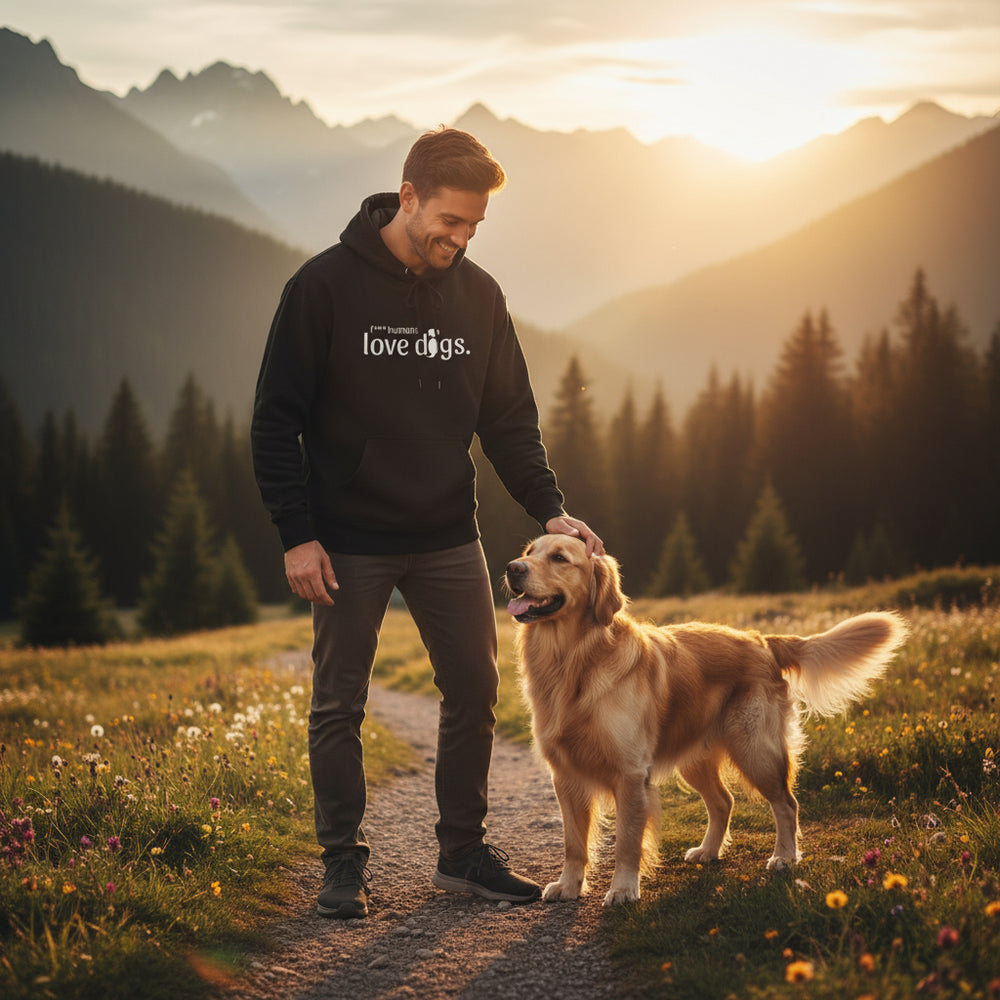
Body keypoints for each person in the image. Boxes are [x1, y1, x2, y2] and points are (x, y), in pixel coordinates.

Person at [251, 126, 603, 920]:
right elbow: (275, 422)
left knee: (474, 690)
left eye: (474, 225)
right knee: (339, 703)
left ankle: (462, 854)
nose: (461, 237)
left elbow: (508, 421)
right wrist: (296, 534)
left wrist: (550, 506)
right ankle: (342, 863)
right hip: (348, 540)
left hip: (447, 532)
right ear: (406, 197)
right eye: (450, 220)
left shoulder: (478, 296)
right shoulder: (323, 287)